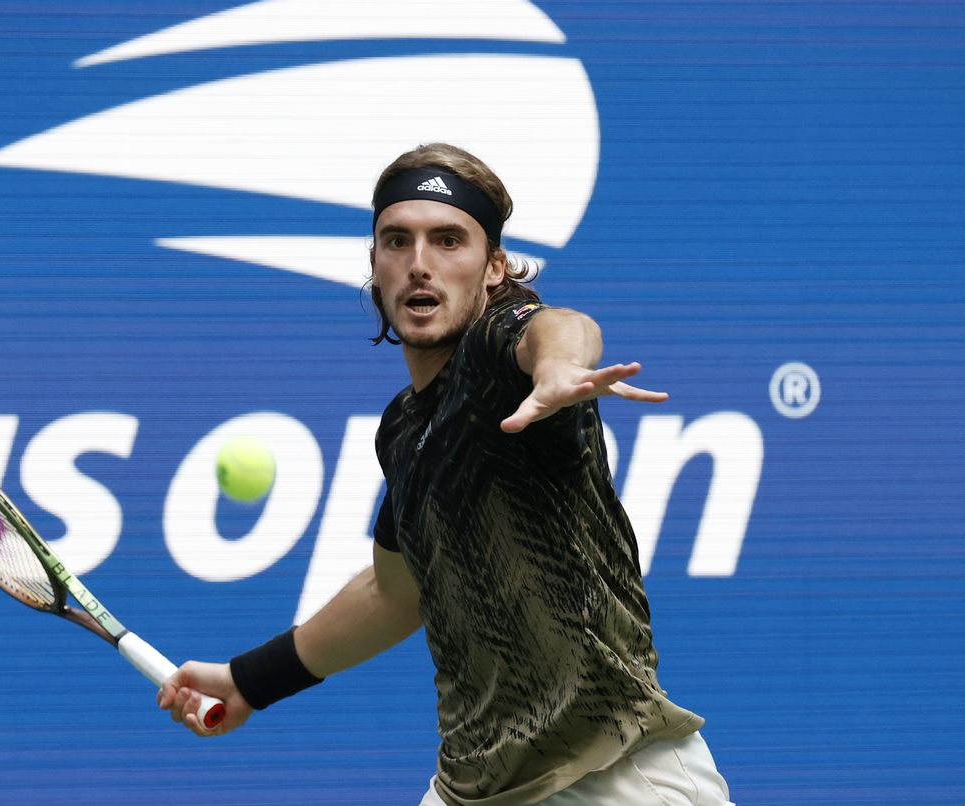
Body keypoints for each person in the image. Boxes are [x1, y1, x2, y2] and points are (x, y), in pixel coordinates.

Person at [158, 143, 734, 805]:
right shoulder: (403, 429)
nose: (420, 265)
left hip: (613, 778)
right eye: (396, 241)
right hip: (477, 788)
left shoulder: (497, 357)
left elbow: (556, 326)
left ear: (494, 268)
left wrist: (557, 370)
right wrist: (251, 680)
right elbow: (395, 592)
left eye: (448, 240)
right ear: (374, 267)